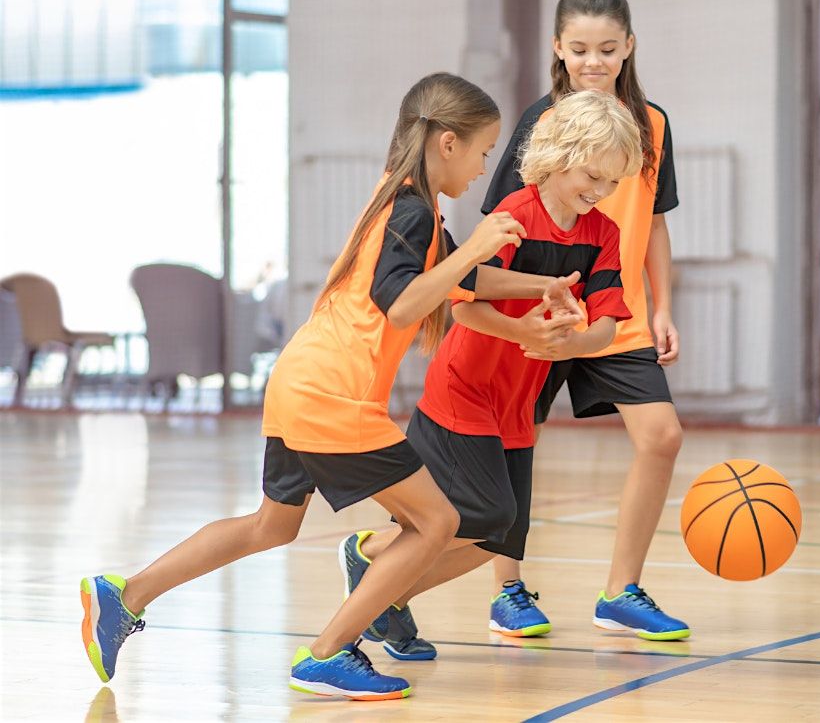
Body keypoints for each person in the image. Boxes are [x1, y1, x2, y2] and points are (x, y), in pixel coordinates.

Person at [79, 72, 577, 701]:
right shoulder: (413, 210)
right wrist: (472, 247)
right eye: (482, 150)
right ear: (447, 143)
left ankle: (125, 595)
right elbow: (401, 306)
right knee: (436, 521)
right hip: (333, 396)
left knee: (270, 526)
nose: (484, 167)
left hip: (301, 383)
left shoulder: (402, 202)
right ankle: (328, 653)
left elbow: (466, 281)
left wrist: (543, 287)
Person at [339, 89, 642, 660]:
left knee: (499, 535)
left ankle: (385, 591)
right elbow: (465, 306)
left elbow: (607, 325)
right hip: (465, 391)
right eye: (592, 176)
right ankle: (370, 565)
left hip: (520, 405)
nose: (600, 193)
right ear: (557, 153)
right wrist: (528, 334)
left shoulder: (603, 235)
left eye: (611, 184)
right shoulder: (510, 221)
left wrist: (576, 340)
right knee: (481, 516)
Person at [479, 0, 689, 642]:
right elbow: (501, 224)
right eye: (578, 49)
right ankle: (507, 590)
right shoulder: (541, 123)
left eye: (605, 48)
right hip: (539, 312)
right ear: (557, 49)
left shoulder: (651, 125)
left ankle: (621, 591)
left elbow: (653, 221)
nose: (592, 62)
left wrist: (660, 306)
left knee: (662, 436)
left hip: (613, 313)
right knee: (518, 445)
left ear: (628, 45)